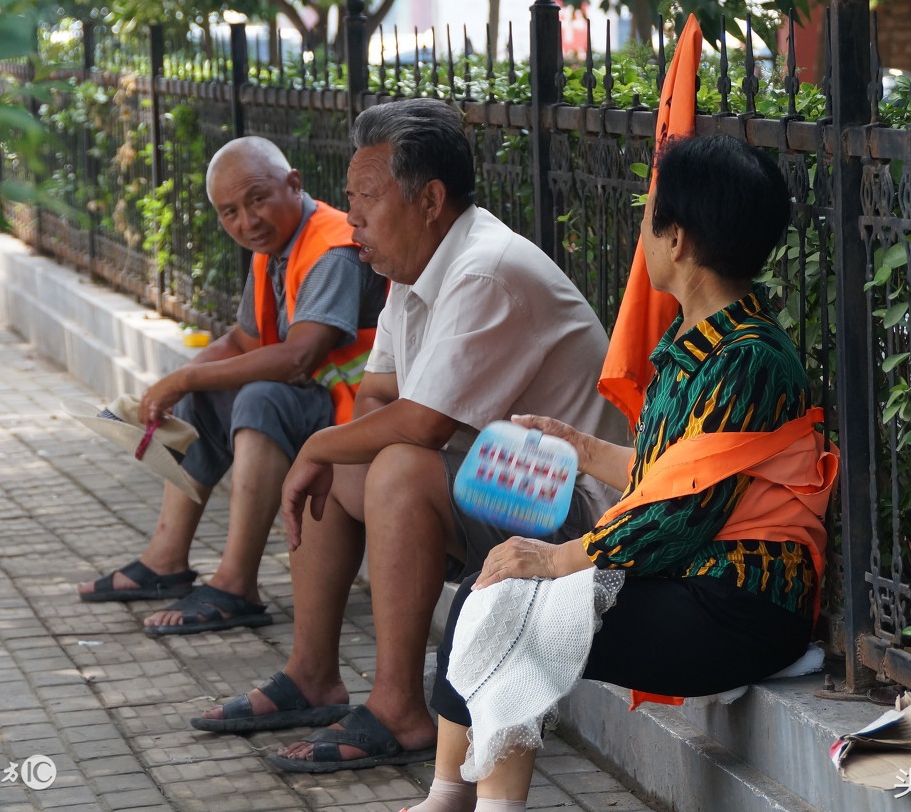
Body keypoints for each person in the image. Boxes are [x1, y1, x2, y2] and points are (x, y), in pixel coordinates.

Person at [404, 134, 839, 812]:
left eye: (648, 218)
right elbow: (674, 474)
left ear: (680, 241)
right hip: (694, 585)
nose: (642, 232)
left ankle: (468, 802)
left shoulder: (749, 359)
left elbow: (680, 513)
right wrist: (578, 446)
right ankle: (450, 795)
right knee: (491, 590)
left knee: (511, 599)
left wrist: (557, 558)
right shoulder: (699, 339)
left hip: (742, 607)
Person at [192, 98, 624, 771]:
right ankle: (312, 675)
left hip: (576, 513)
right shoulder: (410, 265)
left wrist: (317, 447)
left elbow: (421, 421)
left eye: (368, 197)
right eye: (349, 198)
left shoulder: (485, 267)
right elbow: (375, 393)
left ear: (429, 199)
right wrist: (334, 450)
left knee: (389, 463)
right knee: (356, 456)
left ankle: (398, 708)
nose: (353, 217)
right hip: (496, 484)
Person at [77, 136, 387, 637]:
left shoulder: (331, 250)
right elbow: (243, 340)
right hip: (325, 405)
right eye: (230, 212)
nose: (247, 222)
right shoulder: (276, 248)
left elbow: (296, 358)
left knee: (262, 398)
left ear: (294, 185)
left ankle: (236, 584)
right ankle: (165, 561)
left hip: (363, 420)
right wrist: (172, 387)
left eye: (258, 199)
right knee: (210, 393)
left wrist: (185, 375)